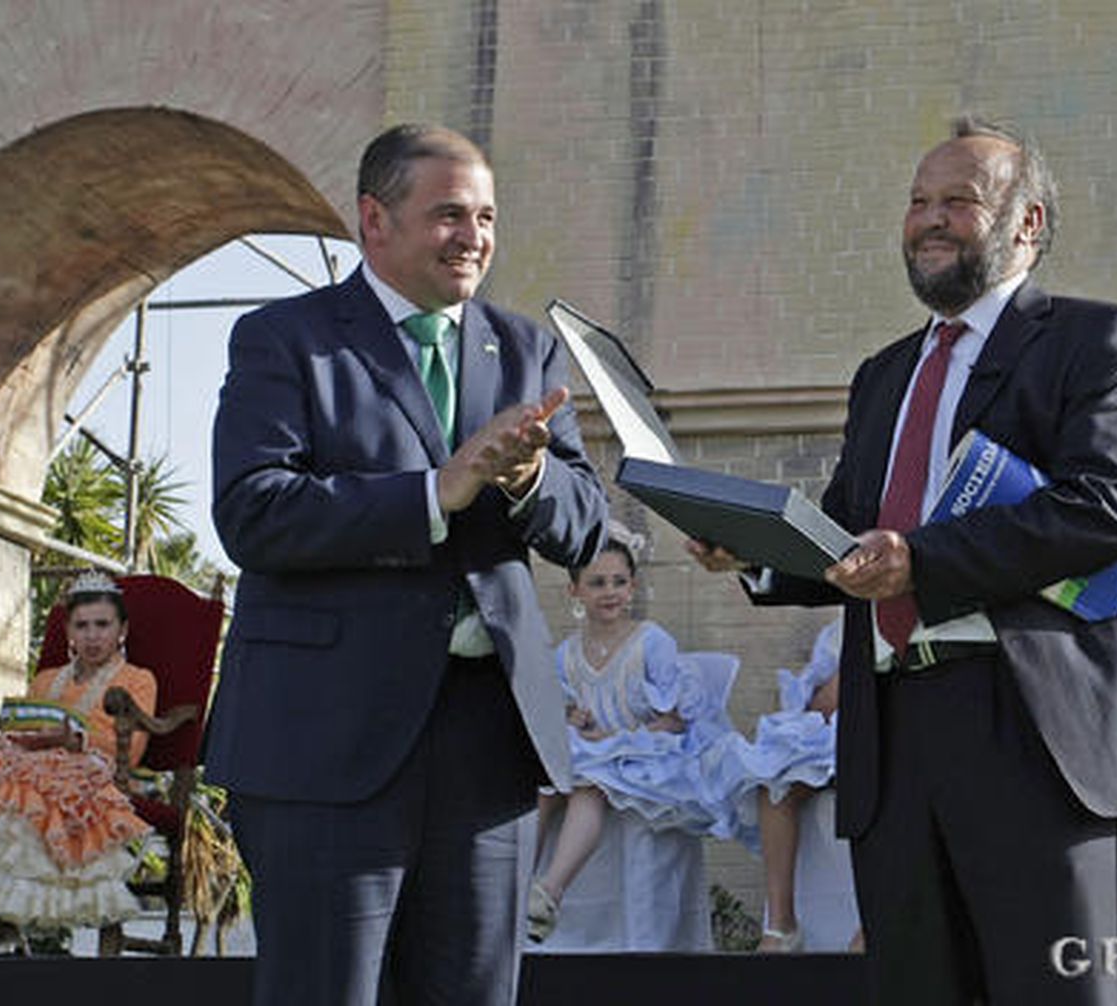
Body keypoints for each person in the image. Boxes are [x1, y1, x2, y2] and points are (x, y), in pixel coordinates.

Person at [688, 117, 1117, 1005]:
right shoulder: (883, 374)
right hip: (894, 739)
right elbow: (845, 533)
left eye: (959, 202)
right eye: (917, 202)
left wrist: (920, 562)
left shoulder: (1096, 342)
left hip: (1031, 732)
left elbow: (1100, 510)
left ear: (1028, 224)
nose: (930, 220)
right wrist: (749, 552)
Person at [207, 124, 607, 1005]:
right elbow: (253, 511)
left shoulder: (526, 350)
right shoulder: (284, 339)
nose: (473, 237)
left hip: (486, 745)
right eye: (449, 215)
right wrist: (437, 490)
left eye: (487, 216)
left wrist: (531, 475)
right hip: (324, 744)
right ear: (374, 221)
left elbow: (585, 525)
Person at [529, 531, 738, 947]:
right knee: (547, 779)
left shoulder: (651, 642)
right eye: (597, 583)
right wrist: (571, 716)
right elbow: (563, 709)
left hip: (647, 755)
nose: (610, 593)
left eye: (619, 582)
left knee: (592, 785)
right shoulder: (567, 653)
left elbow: (676, 720)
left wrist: (618, 736)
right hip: (594, 752)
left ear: (633, 586)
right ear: (574, 590)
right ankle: (516, 880)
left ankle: (549, 891)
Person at [0, 571, 157, 956]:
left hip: (98, 774)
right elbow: (25, 725)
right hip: (31, 765)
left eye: (102, 625)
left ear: (122, 629)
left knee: (35, 795)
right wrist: (16, 739)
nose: (92, 636)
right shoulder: (47, 679)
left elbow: (132, 751)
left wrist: (73, 742)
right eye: (81, 625)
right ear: (69, 631)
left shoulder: (138, 679)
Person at [720, 618, 858, 953]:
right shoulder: (840, 632)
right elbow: (820, 704)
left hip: (892, 739)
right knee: (776, 785)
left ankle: (870, 924)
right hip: (834, 736)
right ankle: (782, 924)